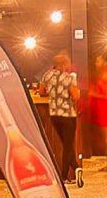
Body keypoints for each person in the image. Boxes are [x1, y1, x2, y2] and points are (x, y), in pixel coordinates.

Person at [35, 54, 82, 186]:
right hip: (68, 115)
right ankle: (64, 176)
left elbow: (42, 91)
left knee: (65, 144)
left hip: (54, 115)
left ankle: (76, 167)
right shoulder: (68, 78)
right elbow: (76, 96)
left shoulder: (47, 75)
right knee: (68, 145)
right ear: (62, 64)